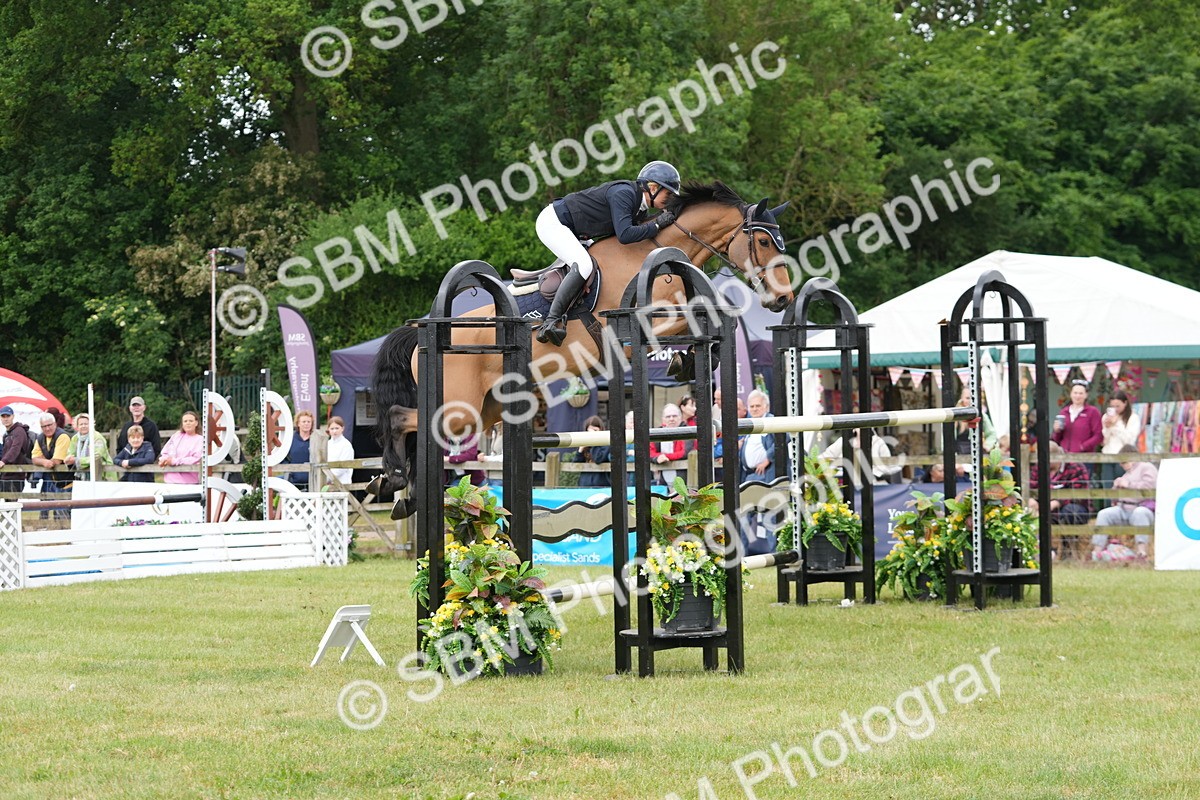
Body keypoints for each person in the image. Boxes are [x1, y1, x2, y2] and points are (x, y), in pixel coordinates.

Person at [533, 161, 681, 345]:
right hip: (554, 223)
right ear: (652, 187)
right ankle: (551, 321)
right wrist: (658, 225)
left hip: (577, 231)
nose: (670, 200)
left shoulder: (639, 208)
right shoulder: (624, 194)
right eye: (668, 194)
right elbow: (625, 235)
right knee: (584, 265)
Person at [1093, 444, 1157, 560]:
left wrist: (1129, 485)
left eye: (1123, 462)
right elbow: (1115, 498)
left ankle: (1141, 552)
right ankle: (1096, 552)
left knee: (1140, 513)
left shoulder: (1147, 467)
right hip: (1123, 508)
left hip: (1143, 508)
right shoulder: (1127, 474)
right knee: (1104, 514)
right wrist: (1115, 489)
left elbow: (1150, 488)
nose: (1121, 465)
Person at [1028, 441, 1090, 525]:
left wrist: (1055, 503)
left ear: (1054, 457)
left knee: (1070, 511)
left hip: (1070, 507)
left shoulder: (1075, 466)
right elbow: (1031, 485)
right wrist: (1031, 499)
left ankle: (1069, 537)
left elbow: (1078, 494)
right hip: (1041, 506)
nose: (1039, 462)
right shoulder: (1038, 466)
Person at [31, 412, 72, 518]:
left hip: (69, 482)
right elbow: (34, 458)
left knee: (66, 514)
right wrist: (45, 462)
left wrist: (45, 459)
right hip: (55, 482)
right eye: (44, 426)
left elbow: (57, 461)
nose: (47, 428)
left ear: (55, 424)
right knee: (58, 513)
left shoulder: (62, 436)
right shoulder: (40, 438)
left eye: (49, 425)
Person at [1051, 379, 1103, 456]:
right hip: (1065, 455)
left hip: (1084, 456)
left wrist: (1083, 447)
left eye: (1081, 393)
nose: (1077, 396)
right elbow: (1057, 438)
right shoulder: (1064, 412)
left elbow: (1098, 435)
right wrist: (1056, 431)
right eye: (1075, 393)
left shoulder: (1092, 412)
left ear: (1086, 395)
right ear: (1071, 394)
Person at [1100, 390, 1141, 486]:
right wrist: (1108, 427)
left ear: (1125, 403)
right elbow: (1105, 439)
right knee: (1107, 487)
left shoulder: (1133, 418)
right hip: (1108, 455)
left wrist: (1115, 426)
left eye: (1118, 406)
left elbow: (1129, 440)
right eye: (1112, 406)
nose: (1115, 409)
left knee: (1122, 486)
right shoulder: (1106, 417)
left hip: (1124, 456)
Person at [157, 410, 204, 484]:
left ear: (196, 423)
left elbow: (196, 459)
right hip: (169, 480)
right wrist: (163, 460)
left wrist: (174, 461)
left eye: (191, 421)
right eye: (185, 421)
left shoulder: (200, 439)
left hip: (189, 481)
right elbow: (165, 452)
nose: (188, 423)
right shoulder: (176, 436)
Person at [284, 410, 327, 490]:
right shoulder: (290, 440)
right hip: (293, 483)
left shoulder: (317, 439)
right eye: (304, 422)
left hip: (313, 483)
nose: (306, 424)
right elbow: (283, 458)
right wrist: (289, 472)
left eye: (308, 422)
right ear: (298, 423)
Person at [65, 413, 114, 481]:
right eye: (81, 424)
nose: (83, 426)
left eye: (86, 424)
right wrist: (68, 459)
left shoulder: (97, 437)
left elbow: (97, 456)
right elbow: (70, 453)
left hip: (103, 475)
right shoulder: (75, 438)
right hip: (82, 476)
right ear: (77, 426)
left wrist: (77, 461)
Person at [649, 403, 688, 486]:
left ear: (680, 418)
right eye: (668, 416)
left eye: (674, 416)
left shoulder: (688, 431)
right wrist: (657, 458)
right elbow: (649, 452)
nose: (671, 419)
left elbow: (684, 453)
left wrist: (665, 456)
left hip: (684, 477)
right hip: (662, 479)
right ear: (663, 419)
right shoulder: (657, 433)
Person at [740, 390, 775, 482]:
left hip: (766, 475)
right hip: (750, 475)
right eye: (752, 406)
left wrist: (768, 459)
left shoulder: (771, 420)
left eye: (758, 406)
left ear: (766, 407)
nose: (754, 409)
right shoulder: (751, 423)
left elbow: (784, 439)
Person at [0, 405, 34, 497]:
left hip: (16, 475)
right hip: (5, 475)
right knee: (5, 507)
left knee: (12, 506)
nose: (6, 419)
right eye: (3, 416)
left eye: (8, 416)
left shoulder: (19, 431)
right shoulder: (6, 434)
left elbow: (16, 448)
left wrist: (3, 461)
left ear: (13, 416)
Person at [576, 415, 611, 488]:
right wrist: (580, 450)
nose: (592, 433)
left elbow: (598, 459)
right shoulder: (585, 444)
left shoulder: (606, 444)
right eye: (589, 431)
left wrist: (594, 442)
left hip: (601, 484)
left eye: (595, 430)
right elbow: (576, 464)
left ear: (600, 430)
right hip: (585, 483)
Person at [325, 416, 355, 488]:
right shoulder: (327, 444)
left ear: (342, 428)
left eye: (337, 428)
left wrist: (329, 477)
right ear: (328, 429)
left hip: (342, 482)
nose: (334, 431)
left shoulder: (346, 445)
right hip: (327, 483)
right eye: (332, 428)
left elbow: (343, 466)